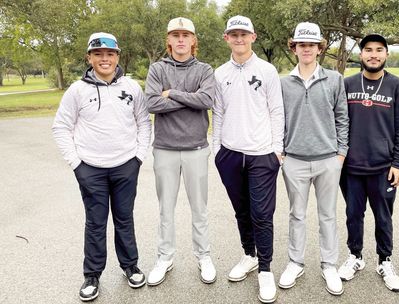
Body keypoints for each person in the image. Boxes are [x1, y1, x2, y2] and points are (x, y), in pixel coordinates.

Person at [52, 32, 151, 302]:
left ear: (117, 56)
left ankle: (130, 266)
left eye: (110, 54)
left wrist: (138, 158)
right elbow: (61, 127)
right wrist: (76, 164)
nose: (104, 58)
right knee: (95, 223)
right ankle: (92, 275)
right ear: (90, 57)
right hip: (91, 169)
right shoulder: (77, 90)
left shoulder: (131, 88)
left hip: (125, 166)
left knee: (124, 218)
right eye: (98, 54)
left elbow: (144, 122)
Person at [212, 15, 284, 304]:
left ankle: (265, 268)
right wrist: (218, 149)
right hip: (230, 153)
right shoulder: (219, 73)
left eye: (244, 34)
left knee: (262, 215)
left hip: (262, 154)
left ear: (253, 37)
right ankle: (249, 255)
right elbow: (217, 113)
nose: (239, 38)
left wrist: (277, 150)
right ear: (227, 38)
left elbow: (276, 111)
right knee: (241, 211)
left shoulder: (267, 70)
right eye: (233, 34)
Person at [277, 22, 349, 296]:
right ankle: (296, 262)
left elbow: (342, 118)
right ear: (294, 48)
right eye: (301, 44)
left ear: (319, 48)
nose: (306, 49)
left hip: (328, 159)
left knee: (328, 215)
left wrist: (340, 154)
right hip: (294, 160)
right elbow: (279, 119)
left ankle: (329, 265)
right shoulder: (284, 82)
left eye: (311, 45)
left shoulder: (334, 79)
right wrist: (281, 151)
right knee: (296, 214)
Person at [144, 17, 217, 286]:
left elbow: (207, 100)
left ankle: (204, 256)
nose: (181, 40)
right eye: (176, 35)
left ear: (194, 40)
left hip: (196, 147)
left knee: (199, 208)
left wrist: (172, 92)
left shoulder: (205, 69)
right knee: (166, 208)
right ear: (169, 40)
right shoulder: (157, 69)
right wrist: (190, 99)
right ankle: (165, 257)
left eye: (186, 35)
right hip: (165, 148)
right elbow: (151, 103)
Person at [337, 34, 399, 293]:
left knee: (383, 217)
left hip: (383, 167)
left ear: (387, 54)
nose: (373, 55)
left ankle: (385, 261)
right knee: (353, 215)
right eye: (368, 50)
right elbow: (337, 123)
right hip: (351, 167)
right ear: (361, 54)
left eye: (379, 50)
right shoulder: (346, 84)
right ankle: (355, 257)